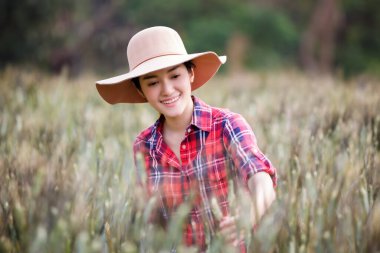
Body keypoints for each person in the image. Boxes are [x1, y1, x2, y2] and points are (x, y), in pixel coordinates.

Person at [96, 26, 277, 252]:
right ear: (141, 90)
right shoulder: (144, 147)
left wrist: (250, 214)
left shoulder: (227, 125)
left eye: (175, 75)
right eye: (152, 83)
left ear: (190, 73)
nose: (167, 89)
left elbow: (261, 177)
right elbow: (154, 224)